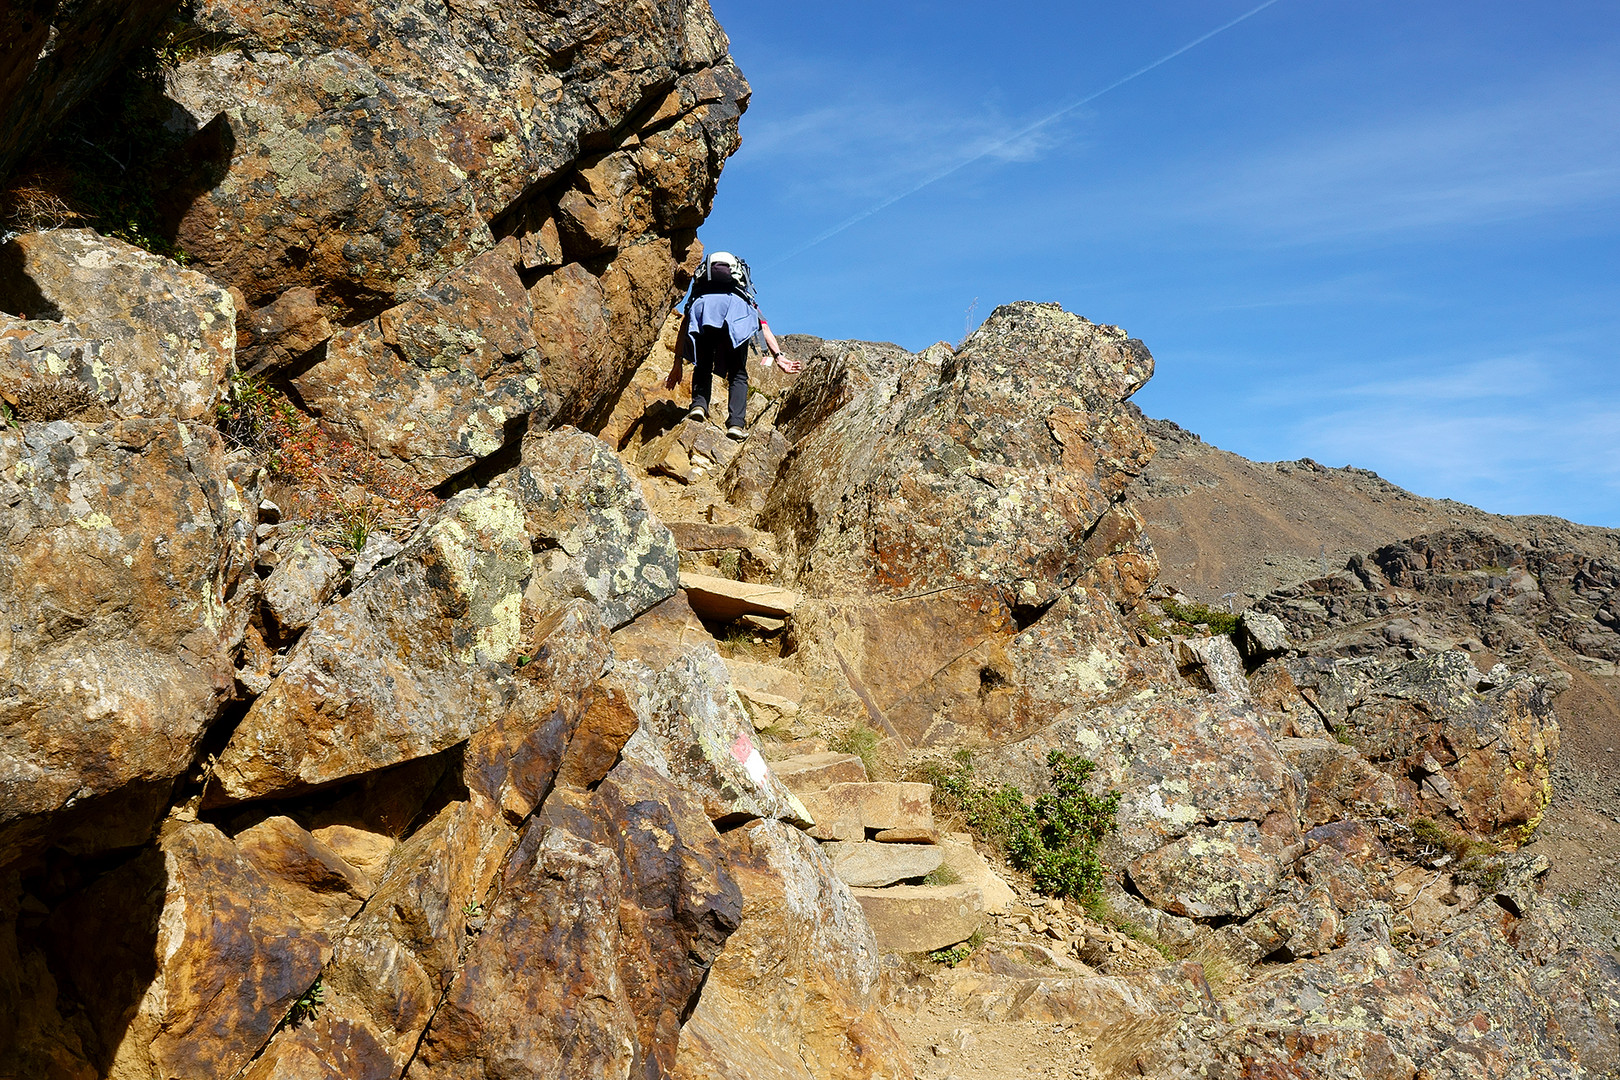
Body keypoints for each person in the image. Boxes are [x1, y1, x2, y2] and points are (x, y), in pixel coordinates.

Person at [664, 251, 800, 439]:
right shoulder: (743, 297)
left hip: (702, 312)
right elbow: (764, 328)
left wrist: (677, 363)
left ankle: (698, 406)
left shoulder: (700, 295)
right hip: (736, 314)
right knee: (738, 373)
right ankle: (736, 424)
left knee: (703, 365)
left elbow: (684, 327)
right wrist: (778, 357)